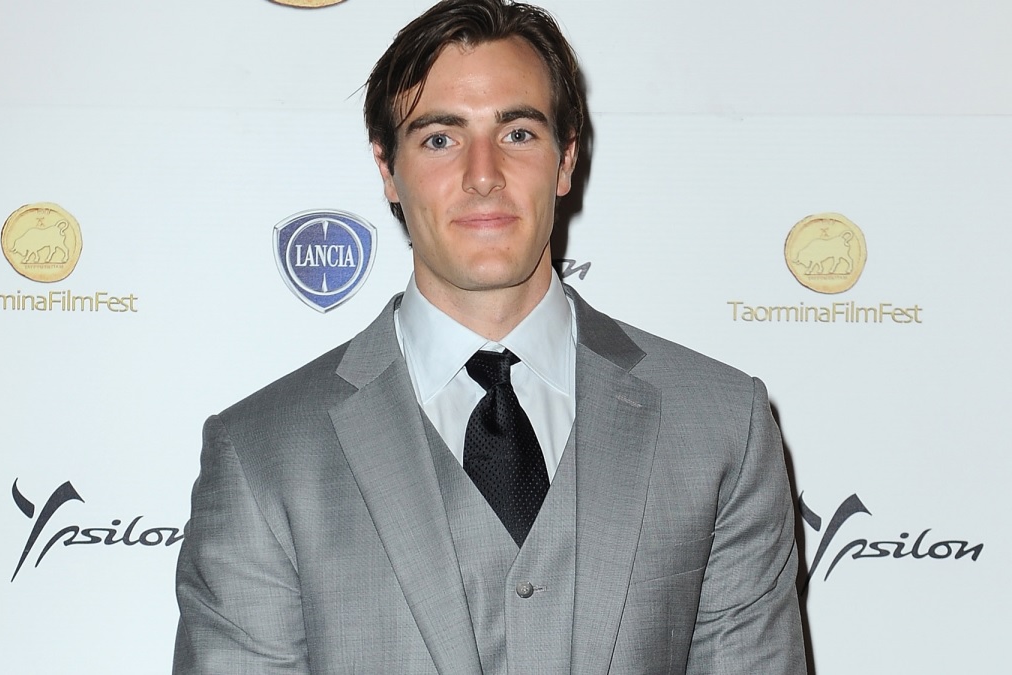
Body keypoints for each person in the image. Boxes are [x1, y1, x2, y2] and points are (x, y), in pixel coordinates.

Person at [172, 0, 807, 672]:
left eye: (518, 134)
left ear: (566, 160)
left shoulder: (720, 426)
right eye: (440, 138)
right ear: (388, 170)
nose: (483, 174)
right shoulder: (263, 452)